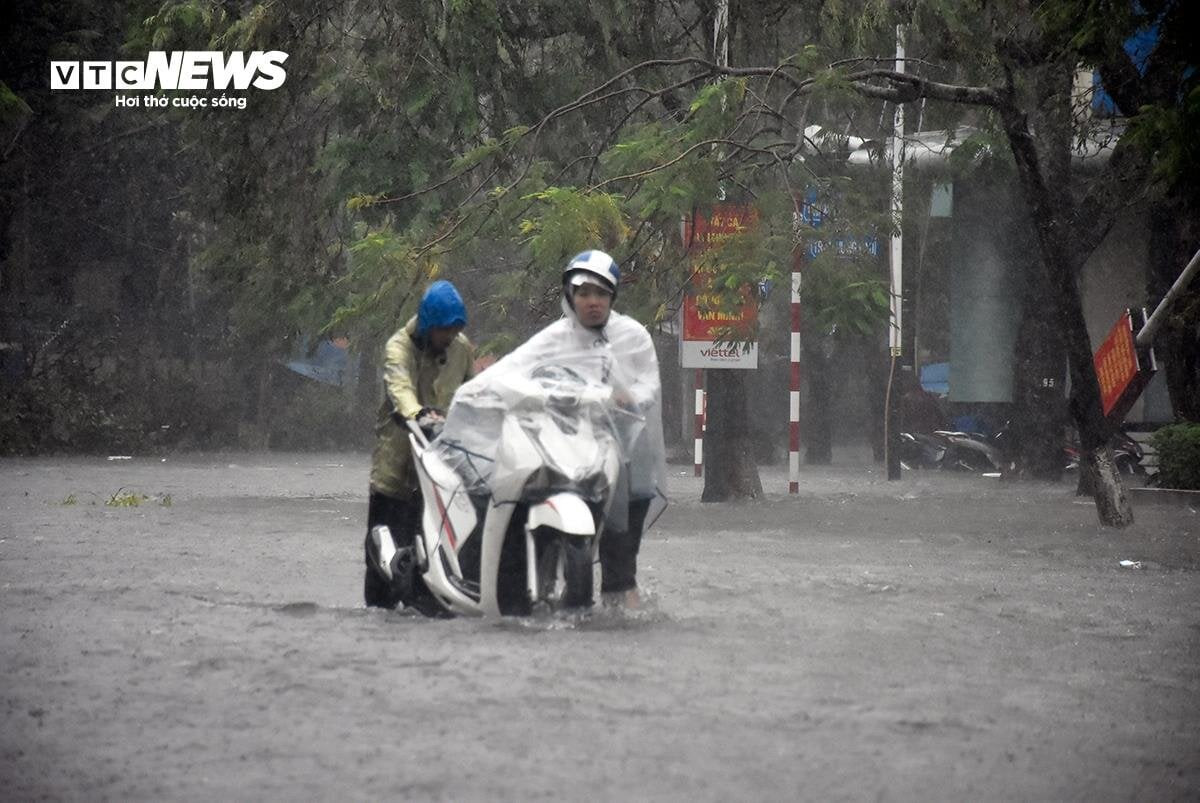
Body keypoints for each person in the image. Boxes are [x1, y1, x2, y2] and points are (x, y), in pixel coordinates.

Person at [436, 250, 667, 607]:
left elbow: (648, 385)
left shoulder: (633, 336)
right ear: (569, 296)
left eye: (602, 294)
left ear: (613, 297)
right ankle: (505, 589)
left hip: (620, 447)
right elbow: (511, 371)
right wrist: (479, 394)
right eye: (584, 293)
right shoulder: (554, 338)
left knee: (623, 542)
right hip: (560, 445)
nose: (593, 302)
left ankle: (623, 599)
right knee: (514, 495)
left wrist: (626, 398)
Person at [363, 280, 474, 610]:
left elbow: (475, 393)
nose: (449, 337)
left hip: (440, 478)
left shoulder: (461, 349)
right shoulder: (398, 347)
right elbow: (400, 390)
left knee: (429, 563)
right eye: (443, 331)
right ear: (428, 326)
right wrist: (419, 415)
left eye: (454, 330)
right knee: (382, 568)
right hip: (395, 473)